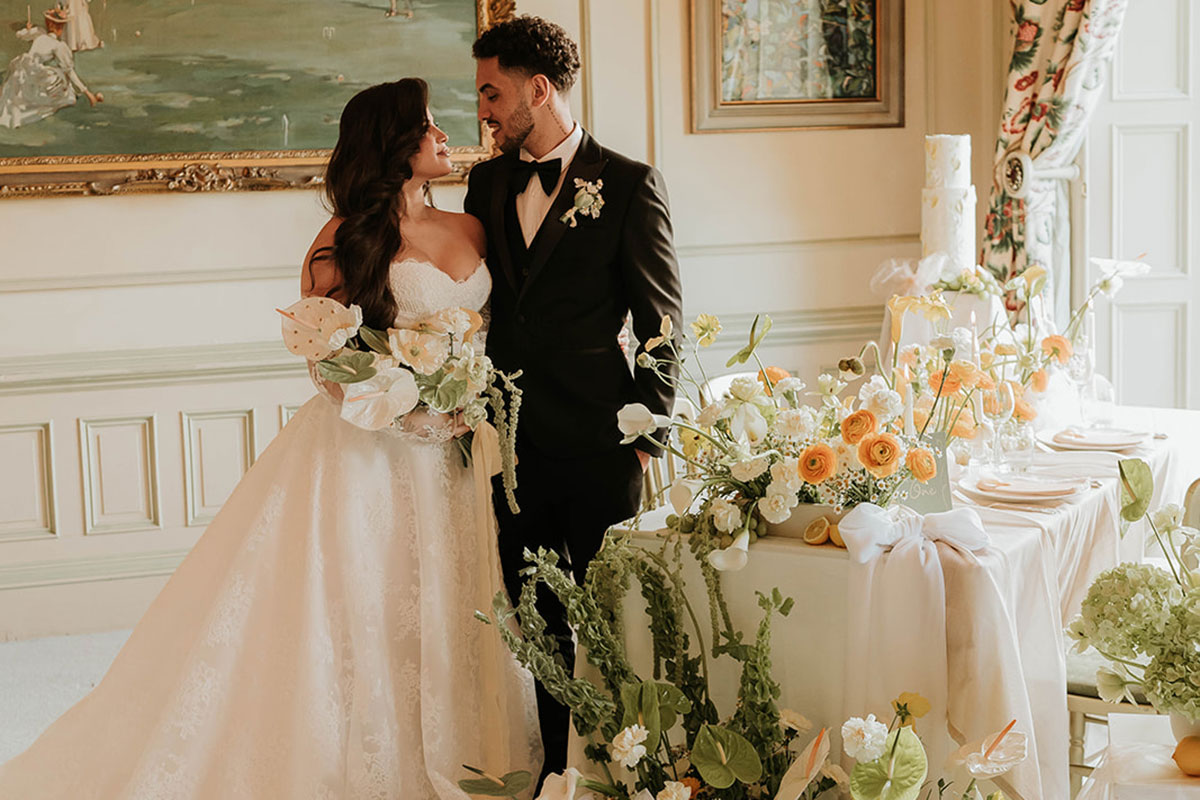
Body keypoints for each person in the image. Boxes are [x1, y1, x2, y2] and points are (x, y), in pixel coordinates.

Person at [0, 78, 541, 799]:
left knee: (454, 608)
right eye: (430, 126)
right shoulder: (344, 240)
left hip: (457, 460)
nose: (446, 137)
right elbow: (327, 360)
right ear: (394, 144)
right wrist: (409, 411)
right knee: (359, 614)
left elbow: (495, 338)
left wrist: (465, 406)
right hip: (370, 453)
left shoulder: (472, 229)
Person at [464, 15, 683, 782]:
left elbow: (662, 322)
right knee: (538, 623)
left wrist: (647, 433)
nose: (484, 109)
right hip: (513, 445)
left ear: (539, 88)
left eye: (492, 93)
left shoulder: (626, 183)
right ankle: (559, 774)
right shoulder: (487, 182)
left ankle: (629, 774)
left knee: (614, 621)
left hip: (600, 440)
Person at [0, 6, 102, 129]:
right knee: (62, 77)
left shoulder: (39, 32)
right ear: (61, 28)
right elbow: (69, 71)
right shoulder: (58, 46)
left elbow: (20, 35)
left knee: (54, 74)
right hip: (34, 74)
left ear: (48, 24)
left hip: (23, 69)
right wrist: (87, 92)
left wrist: (27, 30)